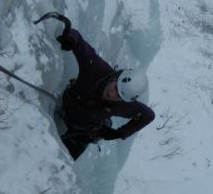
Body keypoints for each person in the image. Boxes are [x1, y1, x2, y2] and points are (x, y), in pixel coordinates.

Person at [57, 24, 155, 160]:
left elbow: (148, 116)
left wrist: (120, 133)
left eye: (119, 97)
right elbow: (79, 42)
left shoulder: (123, 105)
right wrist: (70, 38)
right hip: (64, 107)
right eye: (116, 88)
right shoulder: (96, 69)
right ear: (117, 76)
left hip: (79, 135)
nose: (112, 95)